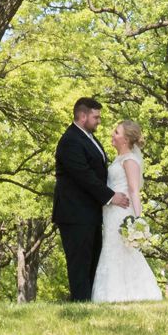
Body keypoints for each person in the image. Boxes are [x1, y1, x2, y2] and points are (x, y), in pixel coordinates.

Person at [52, 96, 126, 301]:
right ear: (83, 116)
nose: (99, 121)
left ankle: (89, 302)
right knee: (79, 263)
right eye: (96, 117)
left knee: (93, 260)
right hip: (74, 213)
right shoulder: (70, 141)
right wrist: (111, 196)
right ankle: (80, 303)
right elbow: (83, 175)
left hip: (90, 213)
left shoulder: (88, 138)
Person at [92, 118, 163, 302]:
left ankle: (133, 293)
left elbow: (133, 190)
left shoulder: (130, 160)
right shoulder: (118, 159)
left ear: (125, 140)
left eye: (116, 132)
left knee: (122, 251)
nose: (112, 134)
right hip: (111, 212)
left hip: (122, 213)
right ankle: (111, 294)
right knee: (112, 250)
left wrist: (138, 219)